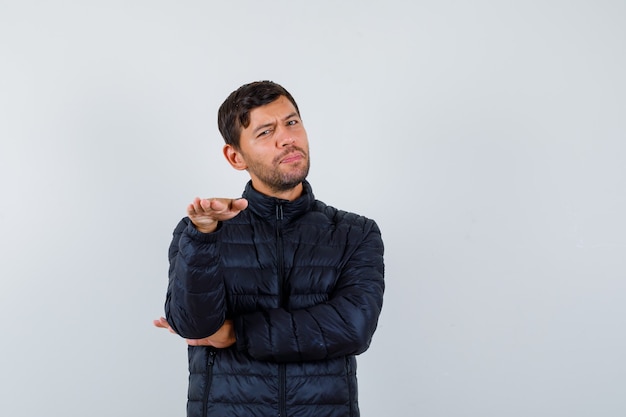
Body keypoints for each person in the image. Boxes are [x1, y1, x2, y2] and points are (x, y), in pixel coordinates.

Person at [154, 80, 385, 417]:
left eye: (291, 122)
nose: (287, 138)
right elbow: (194, 326)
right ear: (235, 156)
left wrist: (237, 332)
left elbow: (353, 327)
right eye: (265, 132)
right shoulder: (202, 232)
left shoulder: (355, 233)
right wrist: (203, 238)